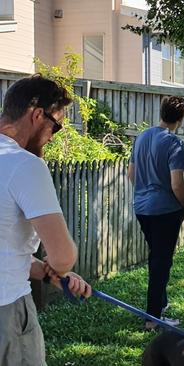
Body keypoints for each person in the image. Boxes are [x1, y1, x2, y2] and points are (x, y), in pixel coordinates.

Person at [0, 75, 92, 365]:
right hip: (7, 312)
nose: (54, 136)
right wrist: (61, 267)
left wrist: (46, 272)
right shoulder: (25, 165)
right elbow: (62, 255)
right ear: (37, 114)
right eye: (56, 125)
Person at [128, 96, 184, 330]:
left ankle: (159, 307)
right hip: (165, 210)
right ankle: (152, 318)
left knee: (157, 257)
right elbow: (177, 184)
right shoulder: (174, 143)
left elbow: (131, 174)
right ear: (182, 118)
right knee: (161, 263)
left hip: (142, 208)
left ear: (162, 112)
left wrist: (146, 190)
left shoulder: (142, 136)